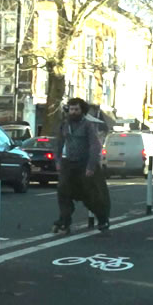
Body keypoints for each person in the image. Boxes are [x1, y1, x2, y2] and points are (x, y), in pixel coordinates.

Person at [53, 98, 109, 234]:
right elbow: (59, 143)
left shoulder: (88, 125)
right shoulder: (65, 125)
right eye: (71, 109)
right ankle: (64, 222)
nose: (73, 112)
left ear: (82, 111)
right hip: (69, 163)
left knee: (92, 195)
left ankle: (102, 220)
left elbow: (95, 145)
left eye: (76, 109)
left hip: (85, 164)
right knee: (63, 192)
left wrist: (91, 166)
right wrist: (58, 161)